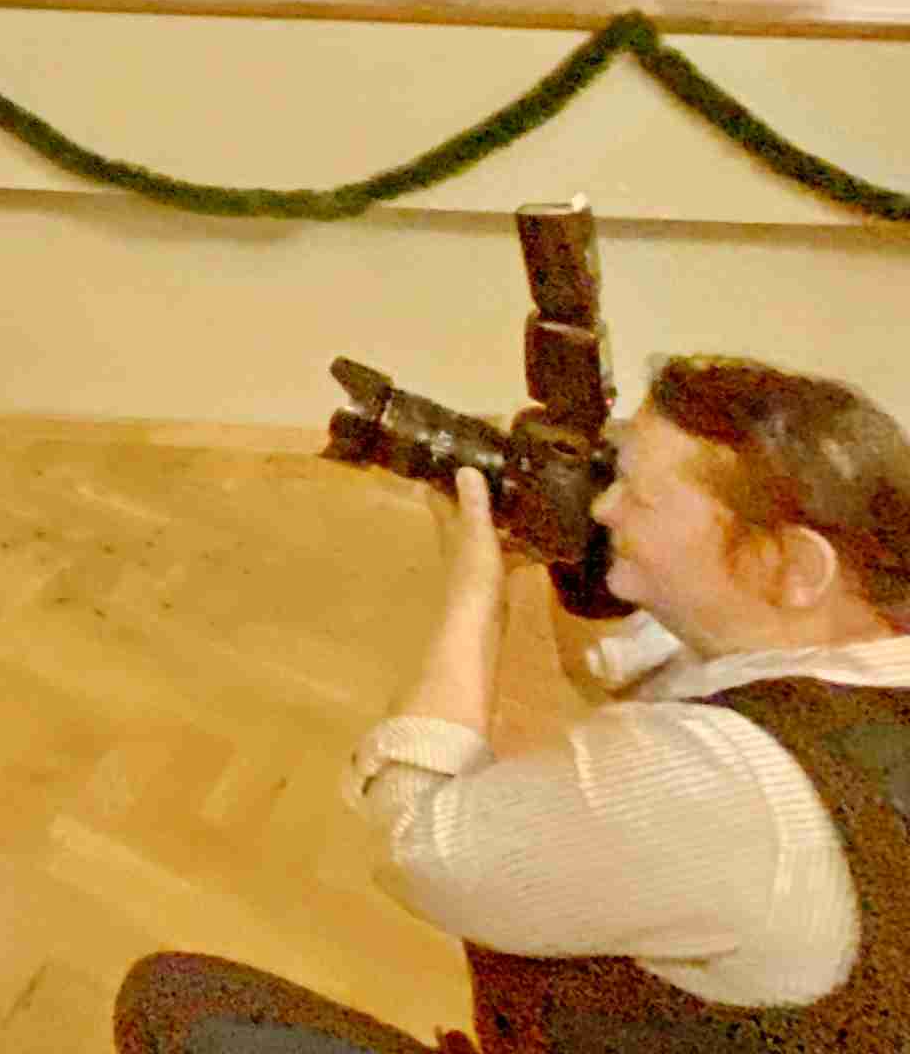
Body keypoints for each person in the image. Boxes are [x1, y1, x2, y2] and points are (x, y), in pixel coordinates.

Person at [115, 354, 910, 1054]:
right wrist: (559, 551)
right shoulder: (862, 654)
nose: (603, 509)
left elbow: (421, 844)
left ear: (789, 565)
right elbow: (631, 661)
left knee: (179, 1005)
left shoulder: (723, 784)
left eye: (639, 497)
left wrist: (481, 591)